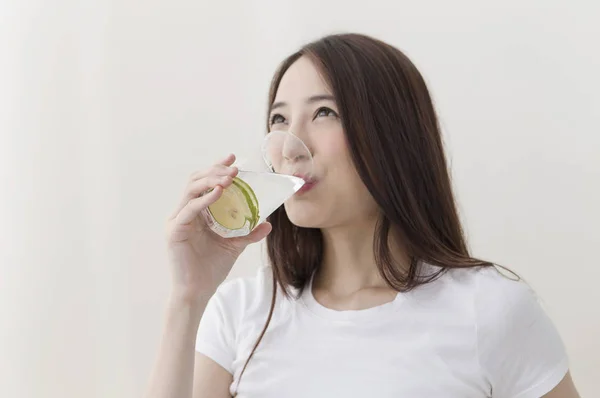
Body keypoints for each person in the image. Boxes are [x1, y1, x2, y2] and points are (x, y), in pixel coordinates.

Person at [145, 33, 580, 398]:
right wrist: (188, 296)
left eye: (323, 113)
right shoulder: (241, 312)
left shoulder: (489, 308)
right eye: (279, 119)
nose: (290, 144)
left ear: (393, 135)